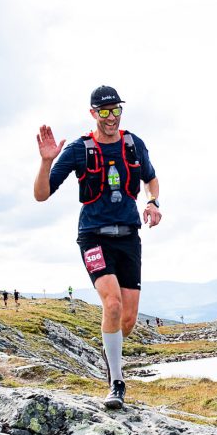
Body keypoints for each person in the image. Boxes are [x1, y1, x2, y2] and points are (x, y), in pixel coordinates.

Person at [34, 85, 162, 410]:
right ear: (93, 113)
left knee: (128, 320)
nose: (110, 117)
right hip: (94, 235)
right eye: (103, 112)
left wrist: (153, 202)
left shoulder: (134, 144)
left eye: (115, 110)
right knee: (113, 304)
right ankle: (116, 382)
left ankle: (111, 347)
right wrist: (46, 162)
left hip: (129, 236)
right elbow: (41, 194)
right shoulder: (80, 149)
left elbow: (151, 178)